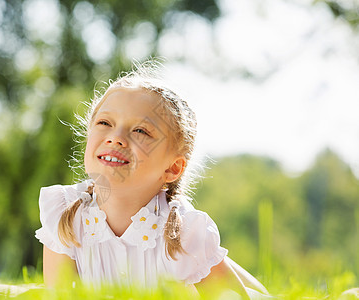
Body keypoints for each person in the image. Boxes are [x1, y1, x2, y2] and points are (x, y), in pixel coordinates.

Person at [35, 61, 269, 299]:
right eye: (105, 123)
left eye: (140, 131)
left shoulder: (182, 235)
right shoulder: (65, 216)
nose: (115, 138)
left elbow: (237, 296)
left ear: (172, 168)